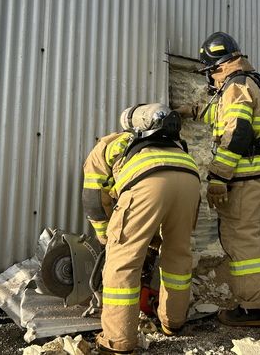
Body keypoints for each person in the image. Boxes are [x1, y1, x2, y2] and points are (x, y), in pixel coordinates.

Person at [82, 103, 201, 355]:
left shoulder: (111, 143)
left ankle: (117, 341)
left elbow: (92, 198)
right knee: (177, 253)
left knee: (123, 262)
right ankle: (173, 322)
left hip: (148, 182)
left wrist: (105, 236)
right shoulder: (174, 144)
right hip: (190, 177)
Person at [179, 32, 260, 326]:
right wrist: (185, 111)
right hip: (258, 174)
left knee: (241, 240)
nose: (209, 79)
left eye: (209, 72)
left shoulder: (235, 88)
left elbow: (238, 133)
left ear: (219, 67)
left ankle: (254, 309)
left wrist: (219, 177)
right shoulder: (246, 84)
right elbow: (216, 114)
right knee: (258, 237)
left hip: (243, 177)